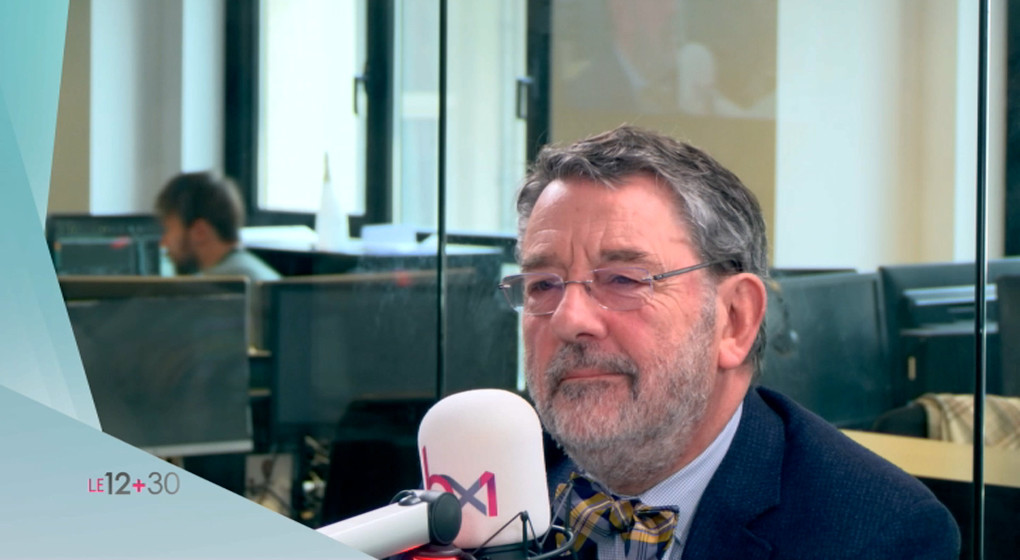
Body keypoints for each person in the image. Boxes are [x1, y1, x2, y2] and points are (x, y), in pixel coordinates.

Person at [500, 126, 960, 559]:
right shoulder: (493, 484)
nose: (569, 320)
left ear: (735, 320)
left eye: (623, 279)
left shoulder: (877, 532)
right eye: (543, 285)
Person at [155, 171, 280, 283]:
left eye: (168, 229)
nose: (163, 242)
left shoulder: (219, 287)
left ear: (200, 232)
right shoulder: (253, 273)